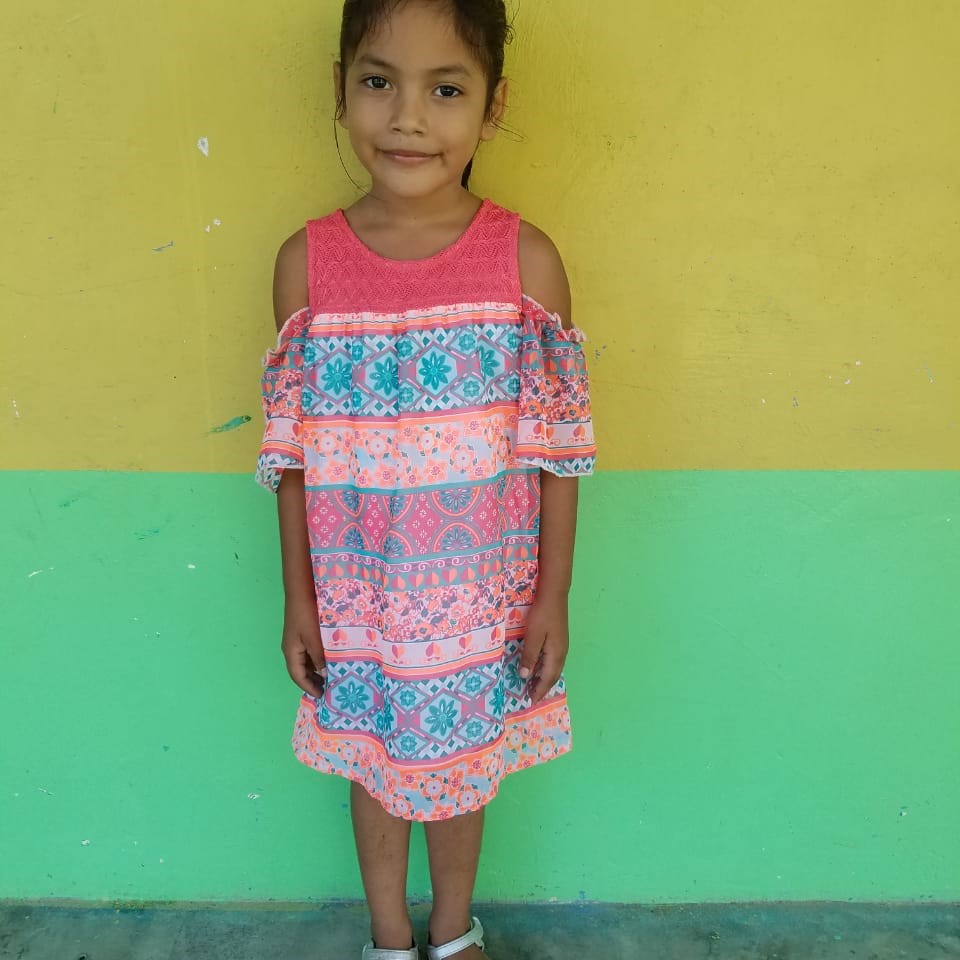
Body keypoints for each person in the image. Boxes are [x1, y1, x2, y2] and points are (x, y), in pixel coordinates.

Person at [256, 1, 596, 957]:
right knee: (372, 763)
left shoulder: (525, 261)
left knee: (459, 767)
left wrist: (553, 597)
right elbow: (289, 455)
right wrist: (299, 600)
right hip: (357, 595)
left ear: (494, 105)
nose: (408, 117)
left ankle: (452, 931)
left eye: (446, 90)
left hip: (477, 596)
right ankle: (387, 936)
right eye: (379, 82)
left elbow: (560, 448)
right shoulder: (307, 266)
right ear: (341, 90)